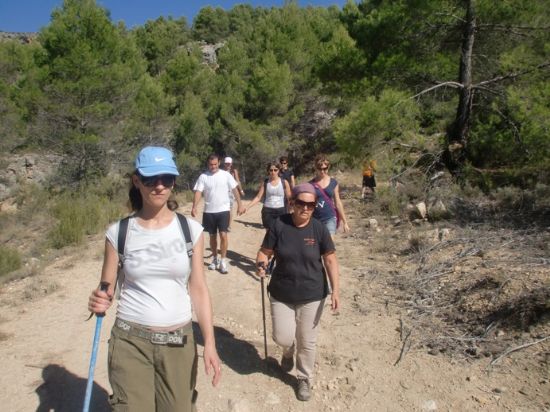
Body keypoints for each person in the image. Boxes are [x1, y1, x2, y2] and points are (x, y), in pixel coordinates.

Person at [87, 146, 221, 411]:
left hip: (178, 342)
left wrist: (210, 344)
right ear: (137, 181)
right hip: (130, 341)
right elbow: (107, 288)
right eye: (151, 179)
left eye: (166, 179)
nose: (159, 186)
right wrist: (98, 299)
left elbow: (199, 289)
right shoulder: (119, 233)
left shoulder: (191, 230)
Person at [256, 183, 340, 402]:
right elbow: (264, 252)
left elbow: (330, 260)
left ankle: (303, 378)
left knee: (307, 340)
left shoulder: (319, 229)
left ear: (314, 207)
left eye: (310, 205)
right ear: (291, 203)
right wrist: (261, 262)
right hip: (281, 292)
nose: (305, 208)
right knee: (282, 337)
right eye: (300, 203)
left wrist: (336, 291)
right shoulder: (279, 225)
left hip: (313, 293)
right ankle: (287, 351)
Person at [192, 153, 245, 274]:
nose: (213, 166)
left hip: (223, 210)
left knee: (223, 235)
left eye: (215, 164)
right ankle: (215, 259)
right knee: (212, 236)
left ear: (219, 163)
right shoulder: (203, 177)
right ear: (208, 164)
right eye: (211, 164)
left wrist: (240, 204)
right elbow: (198, 192)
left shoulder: (226, 175)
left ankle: (223, 260)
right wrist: (194, 206)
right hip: (209, 211)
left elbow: (234, 189)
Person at [243, 161, 291, 233]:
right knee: (269, 234)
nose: (273, 172)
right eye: (271, 170)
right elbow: (258, 197)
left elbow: (289, 198)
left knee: (281, 233)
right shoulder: (265, 182)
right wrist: (247, 207)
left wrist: (293, 210)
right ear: (268, 171)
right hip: (268, 211)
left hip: (281, 211)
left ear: (279, 170)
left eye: (275, 170)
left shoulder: (284, 182)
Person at [309, 154, 350, 235]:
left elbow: (338, 203)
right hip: (315, 219)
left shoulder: (333, 183)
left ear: (328, 167)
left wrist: (345, 222)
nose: (322, 171)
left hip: (330, 218)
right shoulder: (310, 184)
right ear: (315, 168)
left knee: (329, 244)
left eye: (325, 168)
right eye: (319, 169)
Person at [223, 156, 245, 228]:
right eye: (226, 163)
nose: (228, 165)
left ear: (231, 163)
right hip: (223, 191)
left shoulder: (234, 171)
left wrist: (241, 190)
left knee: (230, 208)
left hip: (231, 192)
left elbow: (237, 181)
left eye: (229, 163)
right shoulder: (221, 171)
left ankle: (228, 225)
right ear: (224, 164)